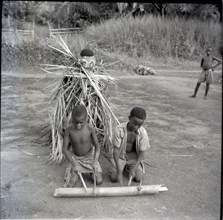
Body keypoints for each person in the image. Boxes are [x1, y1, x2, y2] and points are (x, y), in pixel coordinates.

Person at [63, 104, 103, 187]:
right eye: (75, 122)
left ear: (86, 119)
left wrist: (95, 161)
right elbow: (65, 149)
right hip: (76, 158)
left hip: (89, 157)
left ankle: (87, 171)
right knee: (71, 184)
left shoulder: (90, 128)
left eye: (81, 122)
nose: (78, 125)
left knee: (98, 181)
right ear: (72, 119)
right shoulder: (69, 129)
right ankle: (77, 171)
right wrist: (74, 164)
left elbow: (97, 146)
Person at [110, 107, 150, 185]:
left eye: (139, 125)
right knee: (114, 177)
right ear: (129, 118)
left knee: (138, 178)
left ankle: (129, 168)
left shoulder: (143, 132)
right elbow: (116, 151)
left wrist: (134, 168)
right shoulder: (119, 129)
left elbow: (142, 153)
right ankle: (121, 167)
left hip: (133, 158)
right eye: (134, 123)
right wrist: (118, 171)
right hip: (121, 157)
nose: (136, 126)